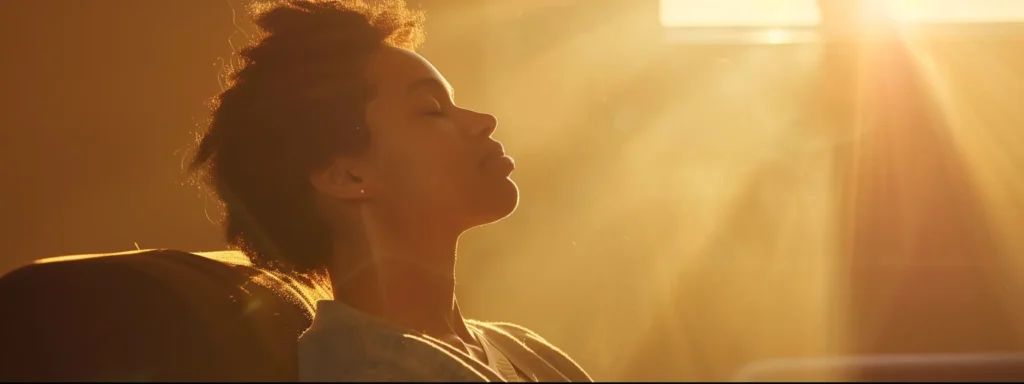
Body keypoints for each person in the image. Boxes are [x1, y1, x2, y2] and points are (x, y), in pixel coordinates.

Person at [187, 0, 592, 381]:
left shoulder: (520, 348)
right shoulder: (368, 372)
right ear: (347, 176)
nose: (483, 120)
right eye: (432, 109)